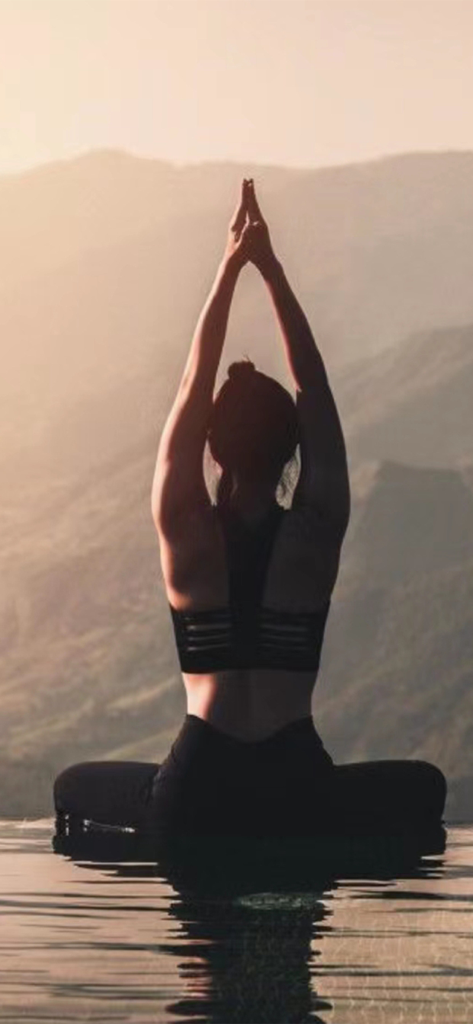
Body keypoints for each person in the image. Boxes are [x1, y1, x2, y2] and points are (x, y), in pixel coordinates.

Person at [54, 180, 446, 839]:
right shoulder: (317, 527)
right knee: (424, 788)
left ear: (211, 448)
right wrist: (270, 268)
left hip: (196, 788)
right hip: (297, 786)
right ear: (293, 445)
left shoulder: (182, 526)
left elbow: (190, 385)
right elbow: (313, 382)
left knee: (72, 788)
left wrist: (227, 267)